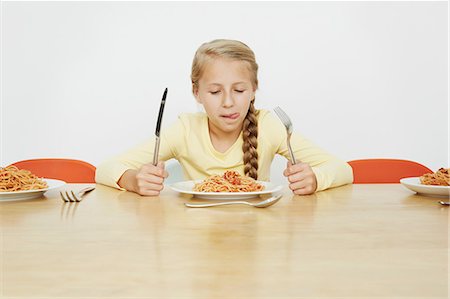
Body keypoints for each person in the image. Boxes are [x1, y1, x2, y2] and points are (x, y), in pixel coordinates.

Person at [95, 39, 353, 196]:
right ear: (197, 93)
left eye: (239, 90)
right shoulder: (185, 130)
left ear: (253, 90)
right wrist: (132, 180)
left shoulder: (270, 127)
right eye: (215, 91)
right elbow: (105, 168)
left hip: (259, 237)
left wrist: (315, 179)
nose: (228, 102)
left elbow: (343, 169)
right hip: (196, 236)